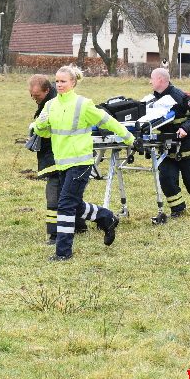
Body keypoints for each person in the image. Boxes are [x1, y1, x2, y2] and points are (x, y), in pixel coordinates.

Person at [32, 65, 134, 261]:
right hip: (61, 164)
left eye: (63, 81)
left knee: (65, 205)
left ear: (73, 83)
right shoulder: (50, 105)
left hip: (81, 163)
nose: (59, 84)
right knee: (74, 205)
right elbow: (43, 132)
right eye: (57, 81)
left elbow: (108, 121)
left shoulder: (83, 104)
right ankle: (107, 218)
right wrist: (39, 124)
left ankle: (63, 252)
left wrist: (129, 138)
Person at [27, 74, 89, 246]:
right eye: (31, 95)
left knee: (54, 195)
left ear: (47, 90)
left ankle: (55, 235)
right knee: (67, 195)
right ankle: (80, 225)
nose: (34, 98)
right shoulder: (49, 102)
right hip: (58, 157)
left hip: (59, 157)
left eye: (37, 95)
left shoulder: (53, 104)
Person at [148, 67, 190, 217]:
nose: (150, 81)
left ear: (161, 80)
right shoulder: (153, 99)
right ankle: (178, 210)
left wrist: (185, 128)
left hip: (187, 148)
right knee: (166, 179)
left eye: (152, 78)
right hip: (167, 148)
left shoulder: (181, 97)